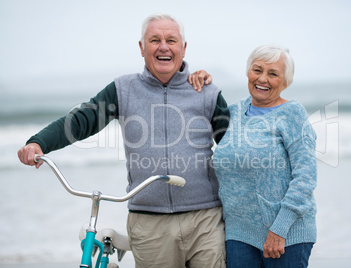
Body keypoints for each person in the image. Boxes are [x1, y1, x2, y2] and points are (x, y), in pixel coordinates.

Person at [18, 13, 229, 268]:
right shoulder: (123, 89)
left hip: (205, 220)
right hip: (150, 222)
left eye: (171, 40)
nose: (164, 46)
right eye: (155, 40)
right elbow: (81, 120)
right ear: (142, 48)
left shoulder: (206, 91)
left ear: (183, 48)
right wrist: (39, 143)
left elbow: (234, 147)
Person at [190, 44, 317, 268]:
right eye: (257, 70)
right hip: (238, 234)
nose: (263, 79)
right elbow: (195, 119)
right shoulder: (233, 112)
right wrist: (197, 83)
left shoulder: (292, 114)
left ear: (285, 82)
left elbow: (305, 177)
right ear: (248, 72)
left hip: (285, 235)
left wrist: (280, 229)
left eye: (273, 74)